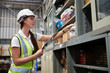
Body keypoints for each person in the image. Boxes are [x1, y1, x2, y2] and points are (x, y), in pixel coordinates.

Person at [8, 9, 74, 73]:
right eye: (31, 18)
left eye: (34, 19)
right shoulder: (16, 38)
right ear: (23, 20)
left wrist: (64, 30)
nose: (34, 21)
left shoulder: (33, 36)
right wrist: (35, 56)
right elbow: (16, 61)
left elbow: (52, 37)